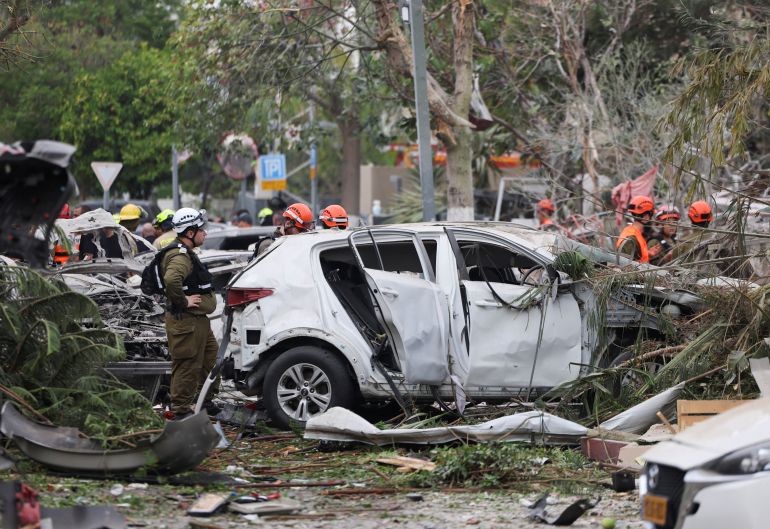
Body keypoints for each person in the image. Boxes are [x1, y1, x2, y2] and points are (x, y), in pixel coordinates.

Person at [160, 207, 218, 420]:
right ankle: (181, 409)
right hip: (185, 321)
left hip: (197, 321)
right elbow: (171, 280)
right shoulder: (180, 256)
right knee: (188, 364)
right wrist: (183, 301)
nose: (206, 233)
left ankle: (205, 401)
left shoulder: (188, 253)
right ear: (190, 232)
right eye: (202, 229)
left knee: (210, 359)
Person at [616, 195, 655, 263]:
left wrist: (648, 254)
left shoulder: (634, 233)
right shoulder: (631, 238)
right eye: (650, 214)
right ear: (646, 216)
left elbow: (637, 259)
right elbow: (625, 265)